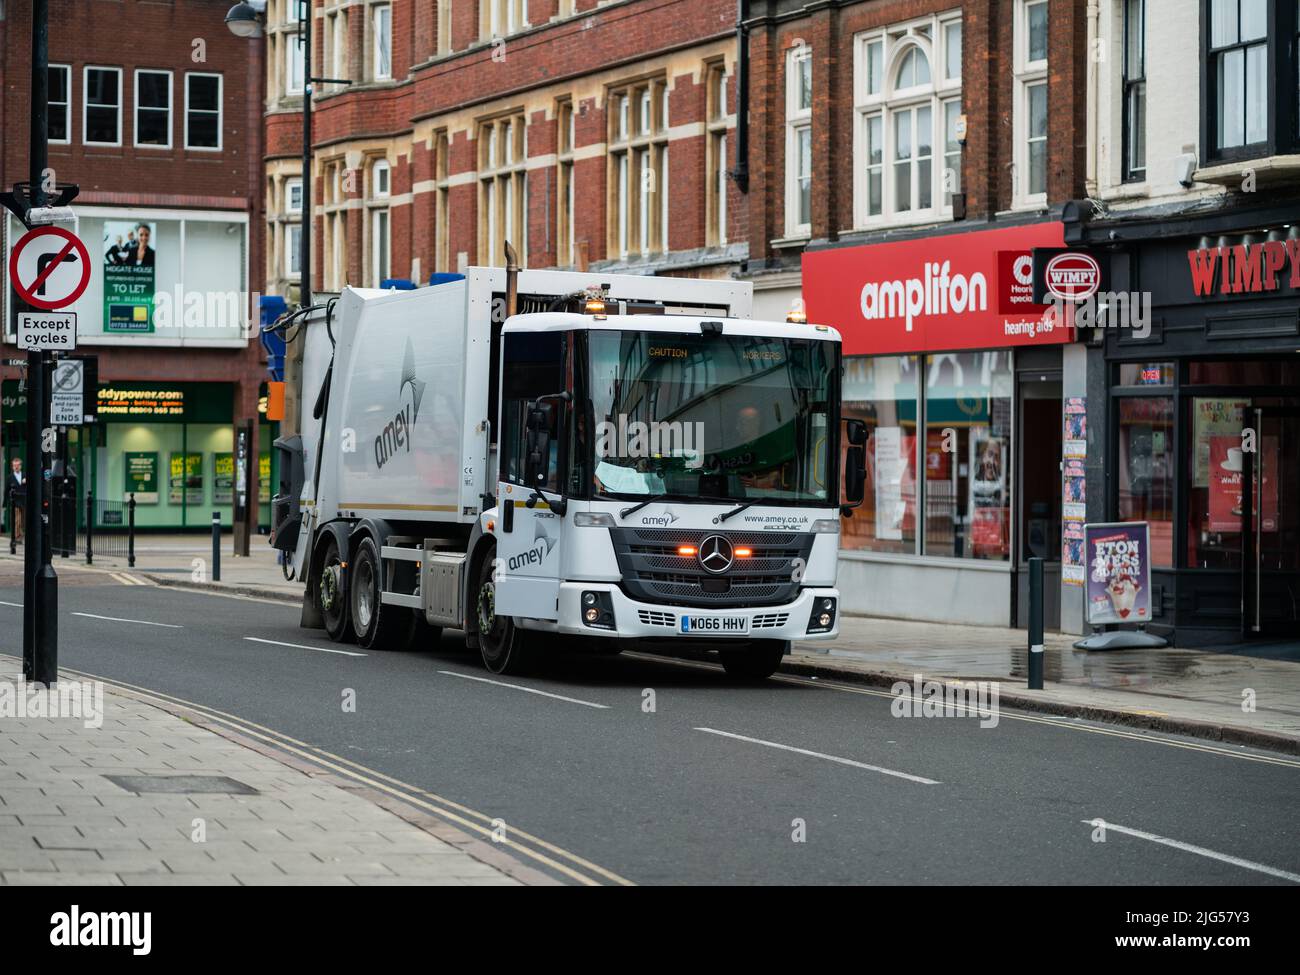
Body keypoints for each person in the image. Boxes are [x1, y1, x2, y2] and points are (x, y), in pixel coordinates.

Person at [6, 457, 26, 542]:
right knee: (17, 520)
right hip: (15, 502)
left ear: (21, 466)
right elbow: (6, 490)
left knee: (23, 520)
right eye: (15, 465)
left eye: (18, 465)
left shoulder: (25, 475)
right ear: (12, 467)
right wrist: (5, 503)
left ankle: (21, 535)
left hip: (24, 501)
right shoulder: (10, 477)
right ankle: (17, 537)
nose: (16, 467)